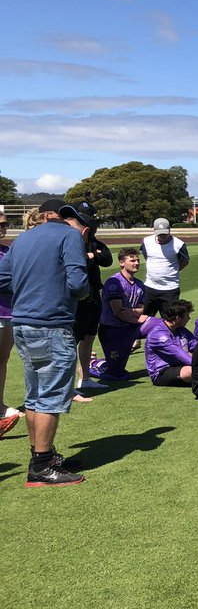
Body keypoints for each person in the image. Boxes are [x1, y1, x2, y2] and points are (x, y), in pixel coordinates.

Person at [0, 199, 91, 485]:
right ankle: (41, 466)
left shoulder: (22, 239)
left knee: (35, 395)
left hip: (23, 324)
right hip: (53, 324)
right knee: (50, 397)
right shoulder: (70, 236)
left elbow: (2, 279)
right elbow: (78, 284)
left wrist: (31, 289)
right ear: (65, 217)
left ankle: (42, 455)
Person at [73, 202, 112, 396]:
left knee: (89, 336)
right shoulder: (72, 241)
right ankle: (68, 385)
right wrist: (89, 256)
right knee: (73, 339)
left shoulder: (94, 241)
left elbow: (107, 259)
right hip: (78, 296)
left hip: (93, 293)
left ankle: (85, 378)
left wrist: (93, 256)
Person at [94, 247, 148, 381]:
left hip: (129, 327)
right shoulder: (115, 283)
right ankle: (93, 364)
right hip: (112, 330)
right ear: (122, 263)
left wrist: (131, 312)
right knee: (117, 374)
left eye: (137, 260)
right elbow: (118, 312)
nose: (136, 263)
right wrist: (137, 318)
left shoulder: (140, 285)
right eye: (132, 260)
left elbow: (141, 309)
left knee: (157, 325)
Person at [139, 218, 189, 317]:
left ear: (169, 229)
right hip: (150, 287)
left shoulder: (179, 244)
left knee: (170, 320)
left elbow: (185, 261)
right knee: (144, 318)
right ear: (154, 230)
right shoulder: (147, 241)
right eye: (160, 234)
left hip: (170, 289)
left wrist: (173, 270)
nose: (162, 236)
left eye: (165, 233)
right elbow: (146, 256)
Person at [143, 299, 197, 387]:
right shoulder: (158, 335)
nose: (189, 318)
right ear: (178, 317)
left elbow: (196, 346)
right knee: (192, 371)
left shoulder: (181, 329)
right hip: (162, 372)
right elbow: (178, 353)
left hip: (180, 365)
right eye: (187, 315)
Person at [0, 207, 20, 432]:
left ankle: (0, 404)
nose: (4, 228)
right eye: (0, 225)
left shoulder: (8, 251)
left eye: (5, 224)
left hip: (10, 311)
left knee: (2, 360)